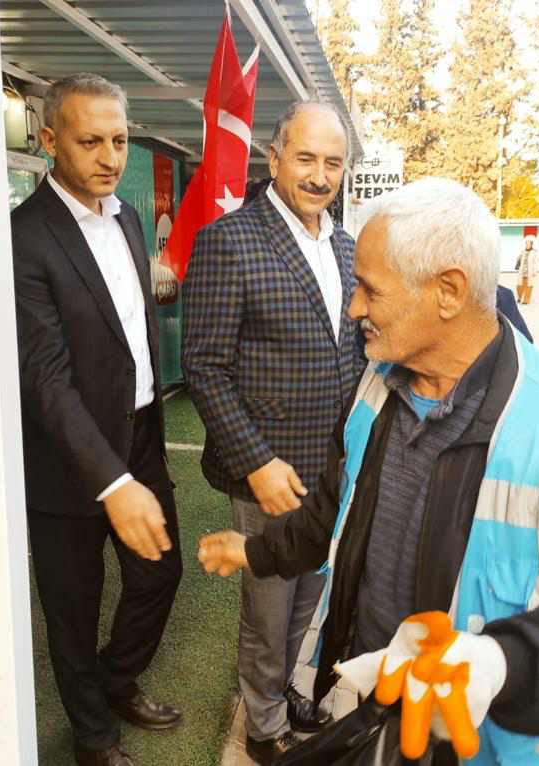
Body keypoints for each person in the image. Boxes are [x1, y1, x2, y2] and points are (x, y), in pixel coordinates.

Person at [198, 178, 539, 766]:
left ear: (448, 291)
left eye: (370, 289)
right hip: (385, 709)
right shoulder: (377, 385)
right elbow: (339, 507)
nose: (354, 308)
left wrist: (495, 664)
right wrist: (257, 552)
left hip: (493, 747)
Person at [182, 101, 363, 765]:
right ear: (275, 157)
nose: (319, 175)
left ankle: (281, 692)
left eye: (333, 163)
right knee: (268, 607)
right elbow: (203, 364)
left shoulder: (347, 247)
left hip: (331, 469)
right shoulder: (229, 240)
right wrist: (256, 461)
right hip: (268, 472)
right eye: (306, 158)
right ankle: (262, 726)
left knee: (307, 596)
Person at [12, 74, 182, 766]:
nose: (110, 157)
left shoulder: (129, 220)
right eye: (90, 142)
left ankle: (116, 681)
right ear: (49, 140)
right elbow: (45, 380)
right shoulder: (23, 238)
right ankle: (93, 738)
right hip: (68, 460)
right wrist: (110, 481)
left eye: (119, 140)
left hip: (140, 433)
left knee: (160, 573)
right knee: (73, 608)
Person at [515, 235, 537, 304]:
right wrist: (518, 258)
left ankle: (526, 300)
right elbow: (518, 259)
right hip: (522, 272)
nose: (527, 245)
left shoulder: (534, 252)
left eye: (529, 243)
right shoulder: (523, 251)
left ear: (531, 244)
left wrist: (534, 271)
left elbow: (535, 263)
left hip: (529, 272)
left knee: (528, 287)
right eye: (526, 243)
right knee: (519, 286)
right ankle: (519, 298)